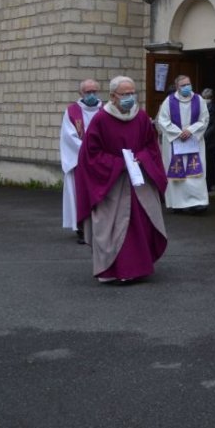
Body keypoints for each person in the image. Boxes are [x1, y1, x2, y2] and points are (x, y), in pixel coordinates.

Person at [74, 76, 169, 283]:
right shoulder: (101, 119)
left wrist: (141, 158)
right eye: (125, 94)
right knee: (114, 226)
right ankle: (113, 270)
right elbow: (89, 154)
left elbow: (150, 146)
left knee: (142, 222)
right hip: (112, 183)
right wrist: (117, 163)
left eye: (132, 93)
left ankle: (139, 268)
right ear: (112, 96)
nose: (130, 98)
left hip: (138, 180)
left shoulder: (141, 117)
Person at [155, 74, 210, 214]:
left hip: (193, 142)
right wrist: (179, 133)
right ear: (177, 87)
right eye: (183, 85)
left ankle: (198, 202)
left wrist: (191, 131)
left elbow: (204, 119)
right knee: (178, 173)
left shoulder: (199, 100)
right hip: (175, 143)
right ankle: (178, 204)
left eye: (188, 84)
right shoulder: (169, 101)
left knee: (196, 173)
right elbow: (163, 120)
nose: (187, 87)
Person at [59, 79, 103, 242]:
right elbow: (69, 137)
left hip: (101, 161)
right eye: (87, 92)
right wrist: (89, 152)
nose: (91, 95)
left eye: (94, 91)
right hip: (80, 161)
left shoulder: (106, 110)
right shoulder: (71, 112)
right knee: (80, 195)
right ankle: (82, 228)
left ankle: (102, 227)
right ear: (80, 93)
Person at [202, 87, 215, 191]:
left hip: (211, 142)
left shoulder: (213, 108)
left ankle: (209, 184)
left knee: (210, 164)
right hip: (207, 141)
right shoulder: (204, 108)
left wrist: (204, 134)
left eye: (207, 97)